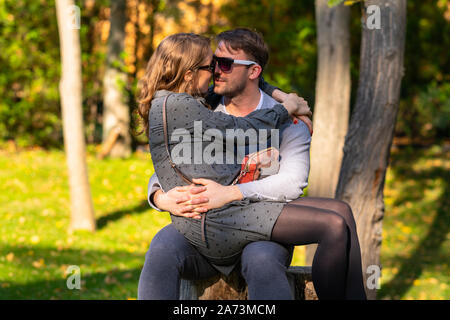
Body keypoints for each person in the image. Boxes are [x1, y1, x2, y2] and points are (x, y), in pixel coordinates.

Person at [137, 30, 366, 300]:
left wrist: (231, 193)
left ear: (254, 71)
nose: (215, 71)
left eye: (223, 64)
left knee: (279, 249)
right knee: (163, 246)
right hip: (211, 222)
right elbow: (170, 164)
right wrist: (161, 197)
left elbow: (292, 184)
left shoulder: (290, 121)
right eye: (212, 64)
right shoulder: (203, 106)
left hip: (255, 215)